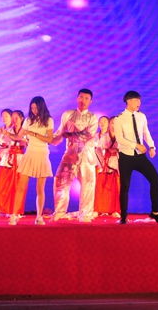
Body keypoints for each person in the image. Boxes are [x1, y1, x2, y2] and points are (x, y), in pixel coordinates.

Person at [113, 90, 158, 224]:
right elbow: (120, 139)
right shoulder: (119, 118)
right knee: (125, 186)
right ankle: (123, 216)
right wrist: (136, 145)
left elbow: (146, 132)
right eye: (136, 100)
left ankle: (155, 212)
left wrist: (152, 146)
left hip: (140, 156)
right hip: (126, 156)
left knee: (155, 179)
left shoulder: (141, 116)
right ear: (128, 101)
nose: (139, 103)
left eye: (139, 100)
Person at [51, 89, 99, 223]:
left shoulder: (92, 117)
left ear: (91, 101)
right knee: (60, 181)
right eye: (81, 97)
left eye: (86, 98)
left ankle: (86, 214)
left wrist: (70, 134)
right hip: (70, 153)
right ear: (77, 98)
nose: (83, 100)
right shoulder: (68, 114)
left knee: (88, 185)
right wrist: (48, 138)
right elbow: (60, 133)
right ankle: (60, 211)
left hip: (86, 154)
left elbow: (87, 135)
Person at [10, 96, 54, 225]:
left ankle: (39, 217)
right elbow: (19, 137)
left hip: (42, 154)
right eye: (32, 108)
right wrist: (7, 134)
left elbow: (49, 139)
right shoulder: (28, 120)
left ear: (42, 107)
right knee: (21, 186)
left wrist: (34, 134)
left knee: (40, 189)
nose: (34, 110)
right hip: (29, 154)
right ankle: (14, 215)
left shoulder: (48, 120)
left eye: (36, 108)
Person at [0, 109, 28, 218]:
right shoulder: (8, 130)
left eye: (16, 118)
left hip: (20, 159)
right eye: (13, 118)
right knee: (3, 184)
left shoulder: (25, 130)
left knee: (18, 185)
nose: (14, 120)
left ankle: (15, 210)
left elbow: (27, 142)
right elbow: (2, 144)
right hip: (9, 159)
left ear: (22, 118)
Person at [94, 116, 120, 217]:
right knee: (101, 188)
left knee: (115, 188)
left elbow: (124, 149)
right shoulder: (104, 136)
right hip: (104, 164)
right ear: (109, 124)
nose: (114, 126)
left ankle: (114, 210)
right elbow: (98, 150)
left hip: (115, 164)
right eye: (112, 123)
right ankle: (99, 209)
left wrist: (116, 151)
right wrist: (105, 155)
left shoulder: (121, 136)